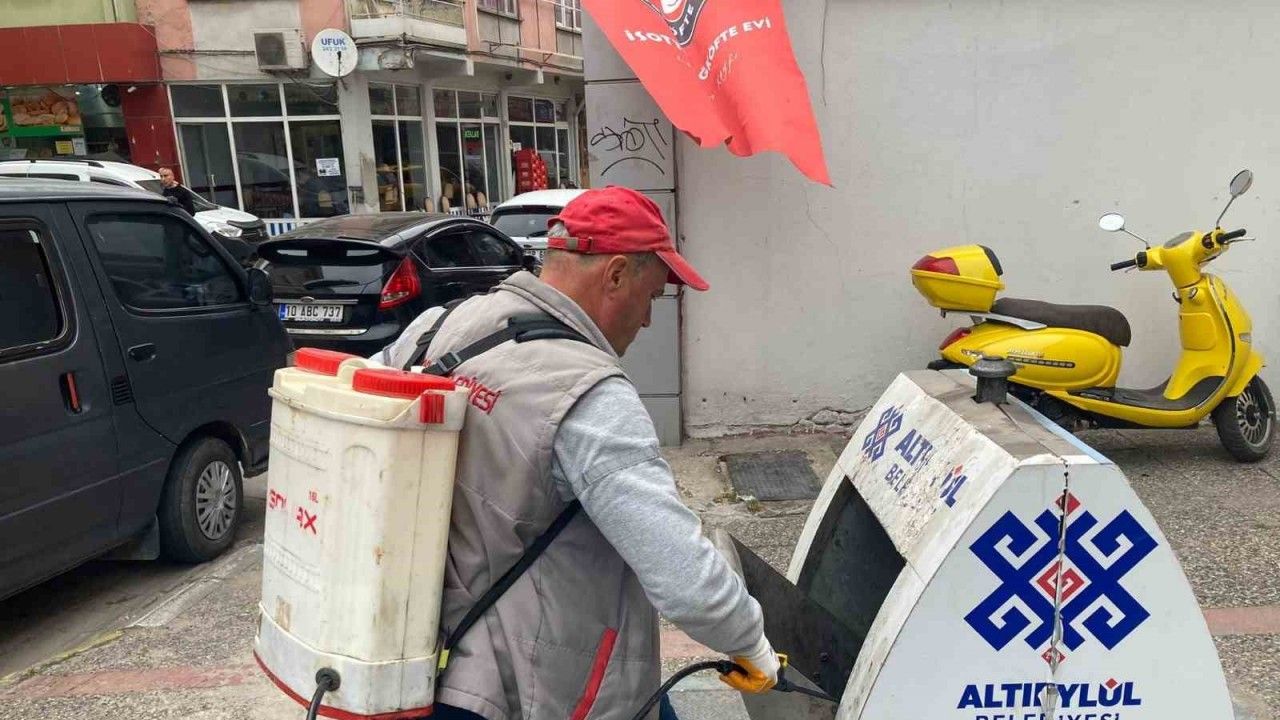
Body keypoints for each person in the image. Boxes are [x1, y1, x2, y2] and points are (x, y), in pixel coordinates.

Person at [371, 186, 780, 720]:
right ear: (616, 275)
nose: (647, 320)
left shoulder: (438, 327)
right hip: (528, 691)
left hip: (424, 669)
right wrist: (750, 642)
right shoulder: (589, 394)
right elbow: (680, 571)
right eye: (652, 297)